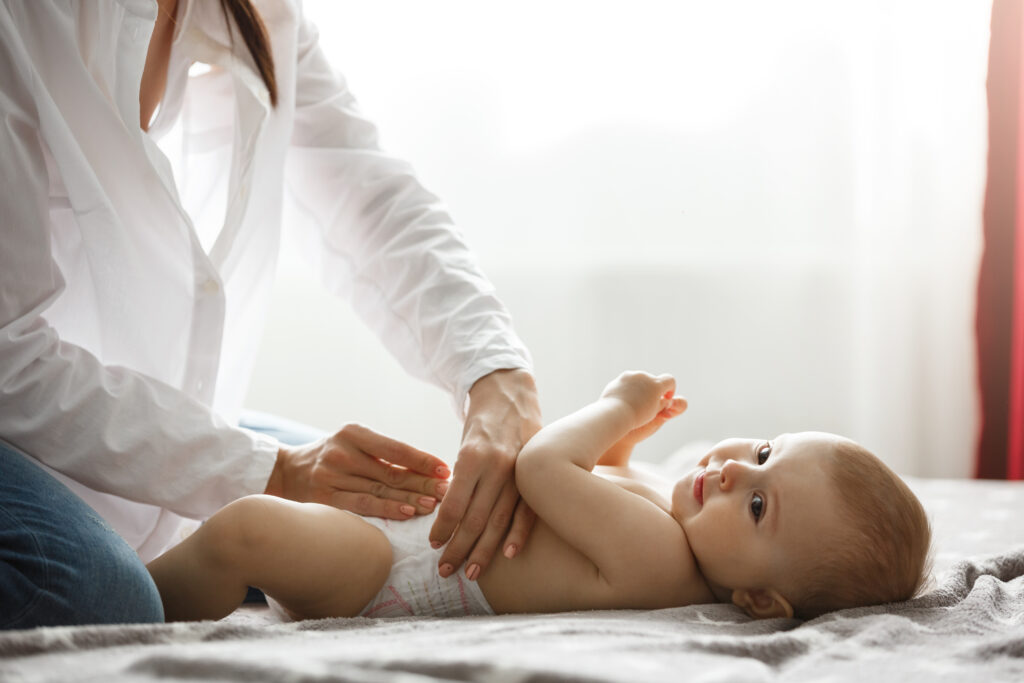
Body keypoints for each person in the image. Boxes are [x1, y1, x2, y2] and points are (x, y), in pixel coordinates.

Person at [0, 0, 541, 629]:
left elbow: (365, 196)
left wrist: (496, 373)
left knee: (386, 519)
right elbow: (7, 353)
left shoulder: (255, 13)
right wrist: (272, 470)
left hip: (96, 406)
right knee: (95, 592)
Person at [146, 371, 933, 622]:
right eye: (764, 452)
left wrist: (618, 409)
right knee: (293, 488)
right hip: (412, 532)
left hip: (389, 574)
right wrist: (628, 451)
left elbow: (545, 469)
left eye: (758, 504)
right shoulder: (675, 520)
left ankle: (134, 607)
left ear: (759, 597)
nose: (733, 472)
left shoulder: (663, 558)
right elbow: (599, 485)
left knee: (247, 529)